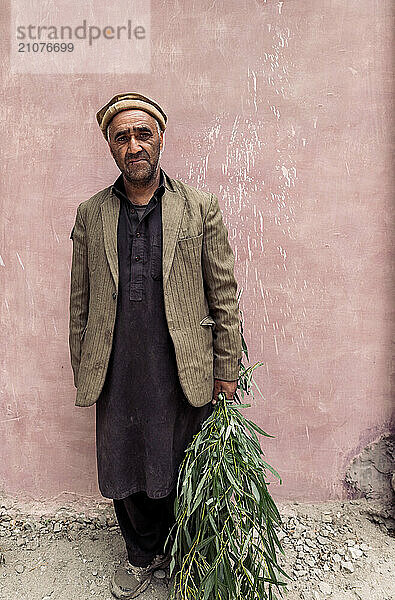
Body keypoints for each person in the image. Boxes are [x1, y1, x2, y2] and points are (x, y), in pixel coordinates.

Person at [68, 92, 242, 598]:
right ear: (110, 146)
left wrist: (226, 367)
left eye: (143, 133)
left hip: (181, 363)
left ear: (161, 138)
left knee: (181, 459)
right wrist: (82, 364)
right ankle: (141, 553)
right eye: (122, 137)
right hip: (116, 362)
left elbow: (223, 292)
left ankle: (183, 551)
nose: (134, 145)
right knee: (123, 457)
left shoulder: (198, 208)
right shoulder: (91, 213)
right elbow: (78, 298)